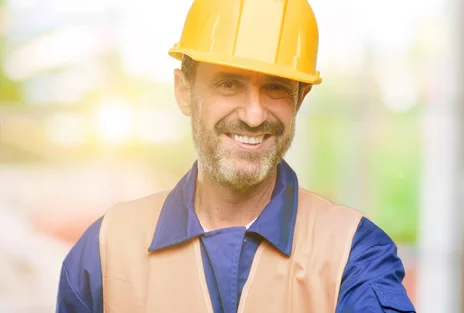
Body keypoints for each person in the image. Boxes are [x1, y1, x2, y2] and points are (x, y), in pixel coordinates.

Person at [56, 0, 416, 312]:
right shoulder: (106, 249)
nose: (254, 115)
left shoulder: (353, 253)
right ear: (184, 91)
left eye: (276, 88)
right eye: (229, 84)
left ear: (299, 100)